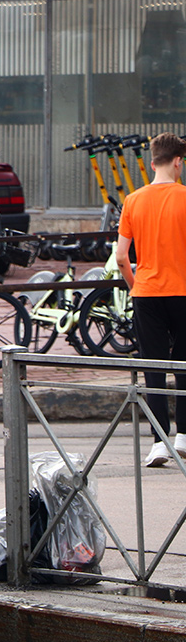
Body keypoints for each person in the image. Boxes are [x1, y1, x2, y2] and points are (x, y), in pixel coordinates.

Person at [116, 132, 186, 467]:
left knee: (153, 367)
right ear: (178, 162)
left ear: (151, 161)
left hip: (146, 292)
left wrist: (135, 284)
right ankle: (184, 436)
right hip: (183, 292)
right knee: (184, 364)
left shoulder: (133, 200)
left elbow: (120, 257)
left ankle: (159, 441)